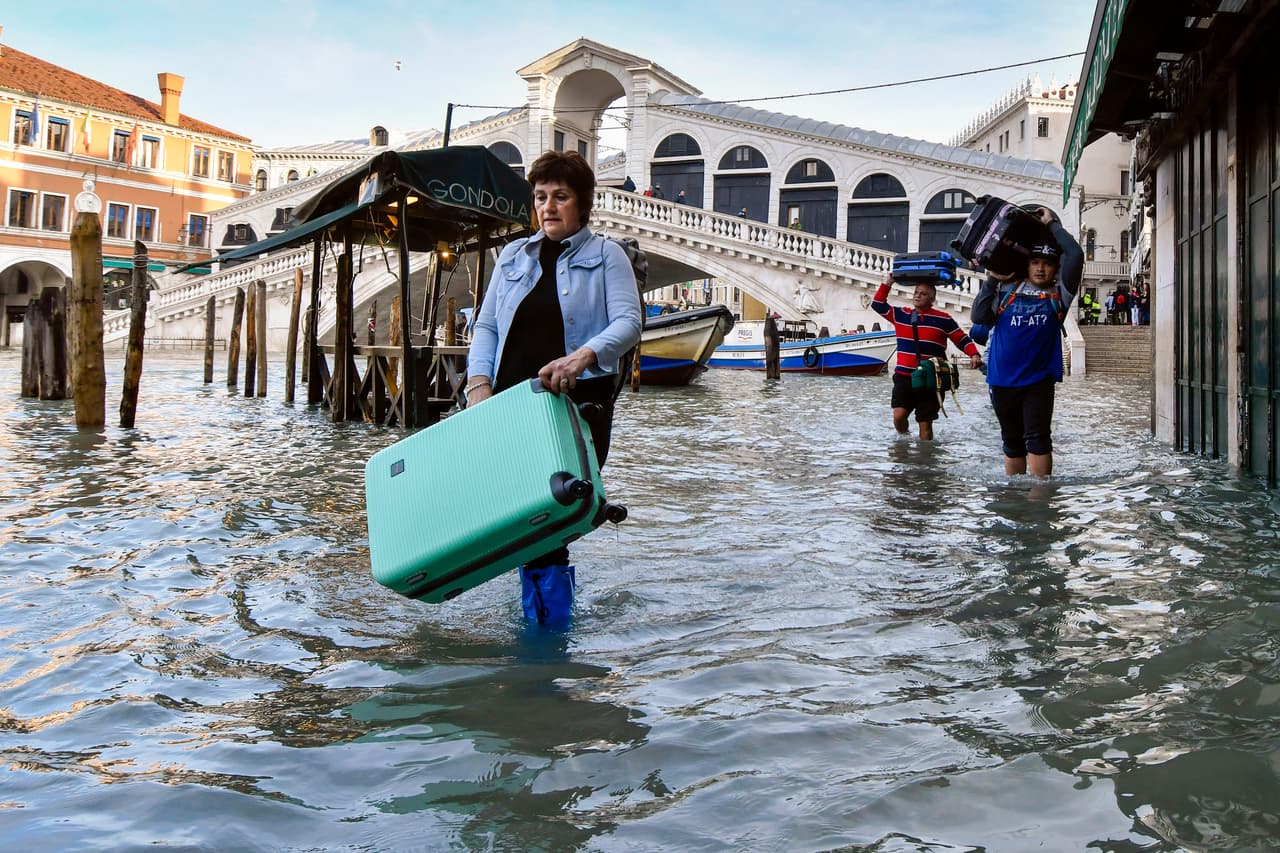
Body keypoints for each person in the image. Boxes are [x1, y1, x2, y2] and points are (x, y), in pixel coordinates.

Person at [465, 150, 643, 628]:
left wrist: (583, 356)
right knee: (523, 516)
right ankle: (543, 627)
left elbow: (628, 323)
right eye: (541, 197)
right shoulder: (511, 257)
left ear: (582, 204)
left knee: (548, 518)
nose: (548, 206)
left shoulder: (608, 255)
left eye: (560, 197)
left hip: (577, 404)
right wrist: (478, 383)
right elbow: (485, 328)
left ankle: (546, 640)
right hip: (509, 404)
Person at [971, 206, 1083, 478]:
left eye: (1047, 263)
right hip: (1001, 380)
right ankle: (1015, 500)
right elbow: (979, 315)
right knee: (1011, 442)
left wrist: (1052, 224)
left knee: (1039, 439)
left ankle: (1041, 502)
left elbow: (1076, 254)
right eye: (1035, 262)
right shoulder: (1004, 289)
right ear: (1026, 264)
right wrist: (991, 280)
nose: (1041, 268)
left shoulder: (1060, 295)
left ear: (1056, 268)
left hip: (1038, 381)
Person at [872, 276, 982, 441]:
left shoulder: (944, 319)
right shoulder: (900, 314)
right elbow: (878, 304)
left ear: (931, 298)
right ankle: (904, 440)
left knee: (925, 424)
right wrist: (889, 282)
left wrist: (974, 354)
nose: (917, 296)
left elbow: (961, 339)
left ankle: (924, 462)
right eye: (916, 292)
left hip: (931, 378)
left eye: (922, 294)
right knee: (899, 416)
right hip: (904, 377)